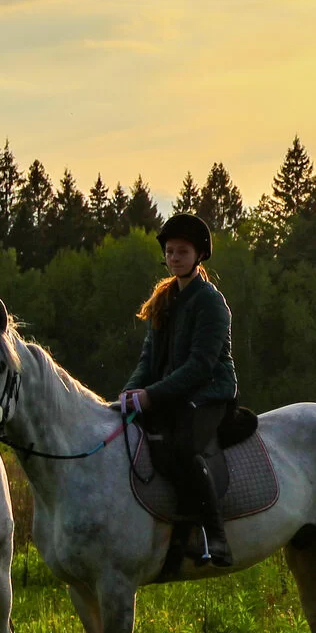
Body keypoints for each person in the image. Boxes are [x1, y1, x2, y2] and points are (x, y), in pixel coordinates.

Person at [119, 213, 239, 567]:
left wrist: (151, 396)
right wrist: (129, 393)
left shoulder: (210, 302)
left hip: (210, 393)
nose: (174, 258)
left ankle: (215, 537)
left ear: (198, 255)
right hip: (171, 392)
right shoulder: (163, 300)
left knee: (183, 448)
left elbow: (200, 366)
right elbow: (147, 359)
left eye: (182, 252)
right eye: (170, 252)